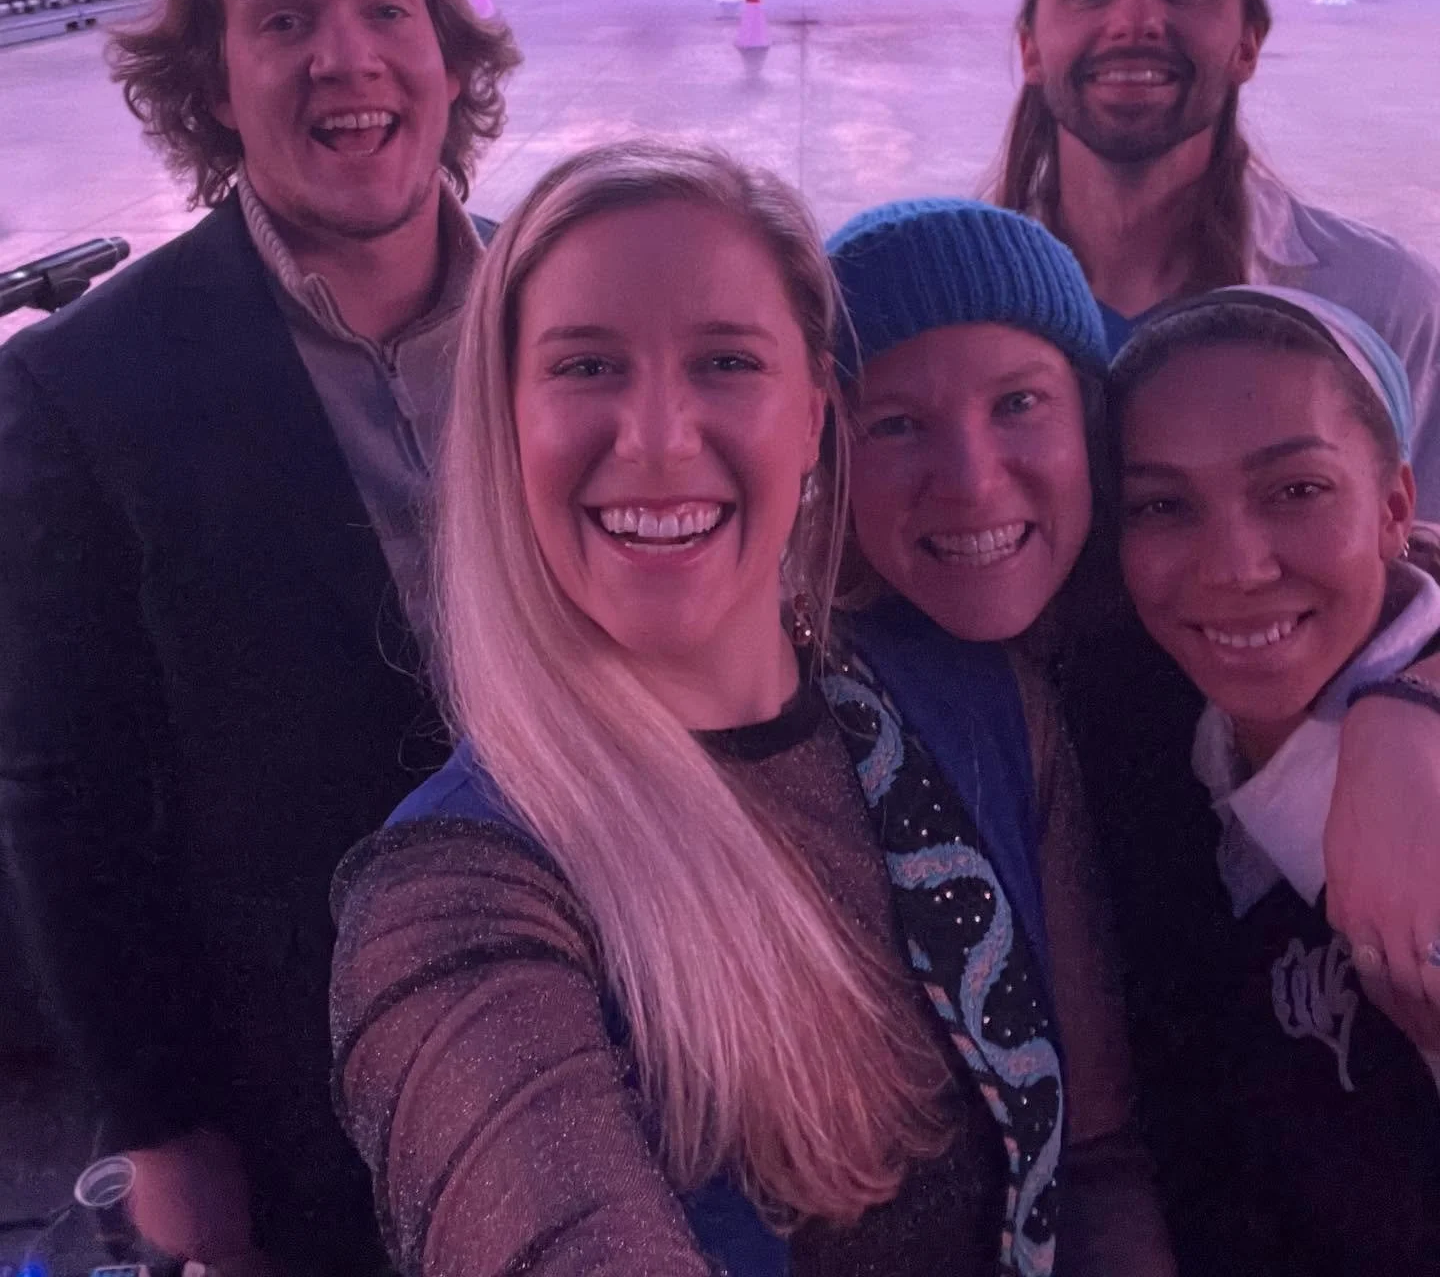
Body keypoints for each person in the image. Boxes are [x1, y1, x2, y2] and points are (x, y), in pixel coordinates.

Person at [330, 144, 1171, 1277]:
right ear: (503, 422)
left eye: (726, 361)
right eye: (586, 367)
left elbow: (1101, 1162)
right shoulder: (460, 893)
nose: (659, 439)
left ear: (815, 415)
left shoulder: (978, 706)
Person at [0, 0, 519, 1277]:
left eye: (387, 10)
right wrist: (164, 1126)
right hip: (309, 1085)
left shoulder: (568, 318)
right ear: (215, 80)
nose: (346, 57)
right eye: (284, 19)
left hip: (609, 1011)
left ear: (447, 53)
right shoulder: (85, 387)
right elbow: (67, 799)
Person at [825, 199, 1440, 1259]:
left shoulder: (1198, 667)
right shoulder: (1141, 678)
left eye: (1019, 402)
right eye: (895, 422)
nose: (1234, 567)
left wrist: (1413, 708)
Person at [1109, 288, 1440, 1273]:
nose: (1235, 568)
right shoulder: (1143, 728)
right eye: (1162, 505)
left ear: (1393, 508)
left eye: (1296, 490)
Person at [992, 0, 1440, 516]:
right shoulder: (958, 305)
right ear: (1031, 48)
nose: (1135, 22)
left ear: (1247, 44)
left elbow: (1416, 556)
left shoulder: (1386, 304)